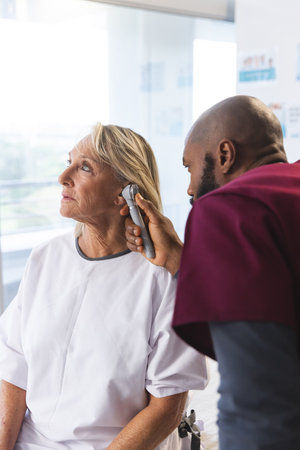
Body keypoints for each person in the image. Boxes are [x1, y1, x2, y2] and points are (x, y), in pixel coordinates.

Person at [0, 123, 207, 450]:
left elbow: (166, 406)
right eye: (68, 161)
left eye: (84, 167)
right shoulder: (45, 258)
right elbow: (14, 367)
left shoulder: (163, 278)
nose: (62, 177)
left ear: (125, 192)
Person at [123, 95, 300, 449]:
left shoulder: (230, 209)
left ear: (224, 155)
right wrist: (179, 259)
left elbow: (257, 397)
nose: (189, 189)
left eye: (189, 167)